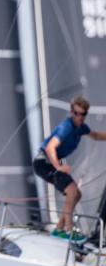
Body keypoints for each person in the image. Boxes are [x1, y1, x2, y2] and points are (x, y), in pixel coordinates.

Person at [33, 96, 106, 238]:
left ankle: (59, 228)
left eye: (83, 114)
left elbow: (96, 135)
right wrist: (58, 167)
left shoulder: (81, 128)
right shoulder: (66, 128)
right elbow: (50, 147)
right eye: (76, 113)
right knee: (72, 192)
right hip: (44, 163)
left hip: (52, 163)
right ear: (71, 112)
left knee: (76, 194)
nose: (79, 117)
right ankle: (68, 230)